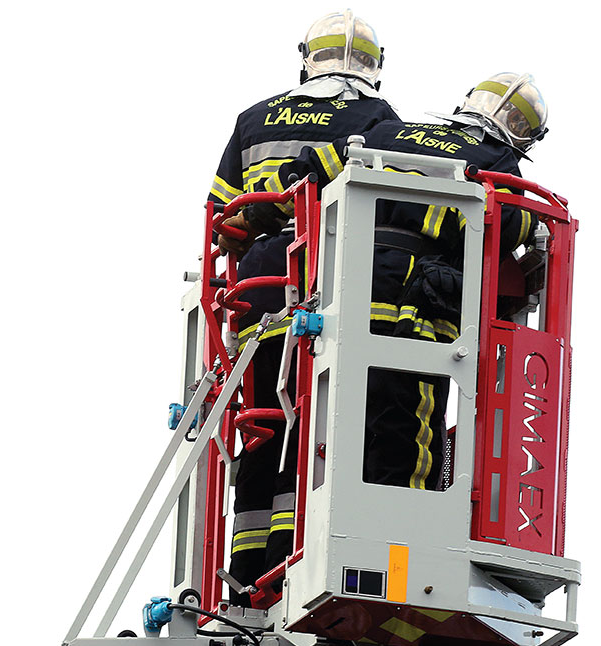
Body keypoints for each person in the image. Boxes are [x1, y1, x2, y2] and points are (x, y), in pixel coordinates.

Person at [228, 72, 549, 490]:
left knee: (321, 421)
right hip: (414, 302)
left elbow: (306, 174)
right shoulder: (497, 162)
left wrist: (251, 218)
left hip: (338, 285)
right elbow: (513, 222)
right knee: (407, 421)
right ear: (525, 138)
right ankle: (404, 524)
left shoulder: (390, 131)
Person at [211, 11, 400, 607]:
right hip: (327, 285)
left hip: (254, 290)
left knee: (264, 423)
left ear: (307, 55)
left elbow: (223, 220)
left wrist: (255, 237)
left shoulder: (253, 117)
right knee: (312, 427)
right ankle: (283, 564)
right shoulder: (375, 118)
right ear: (373, 63)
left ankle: (243, 573)